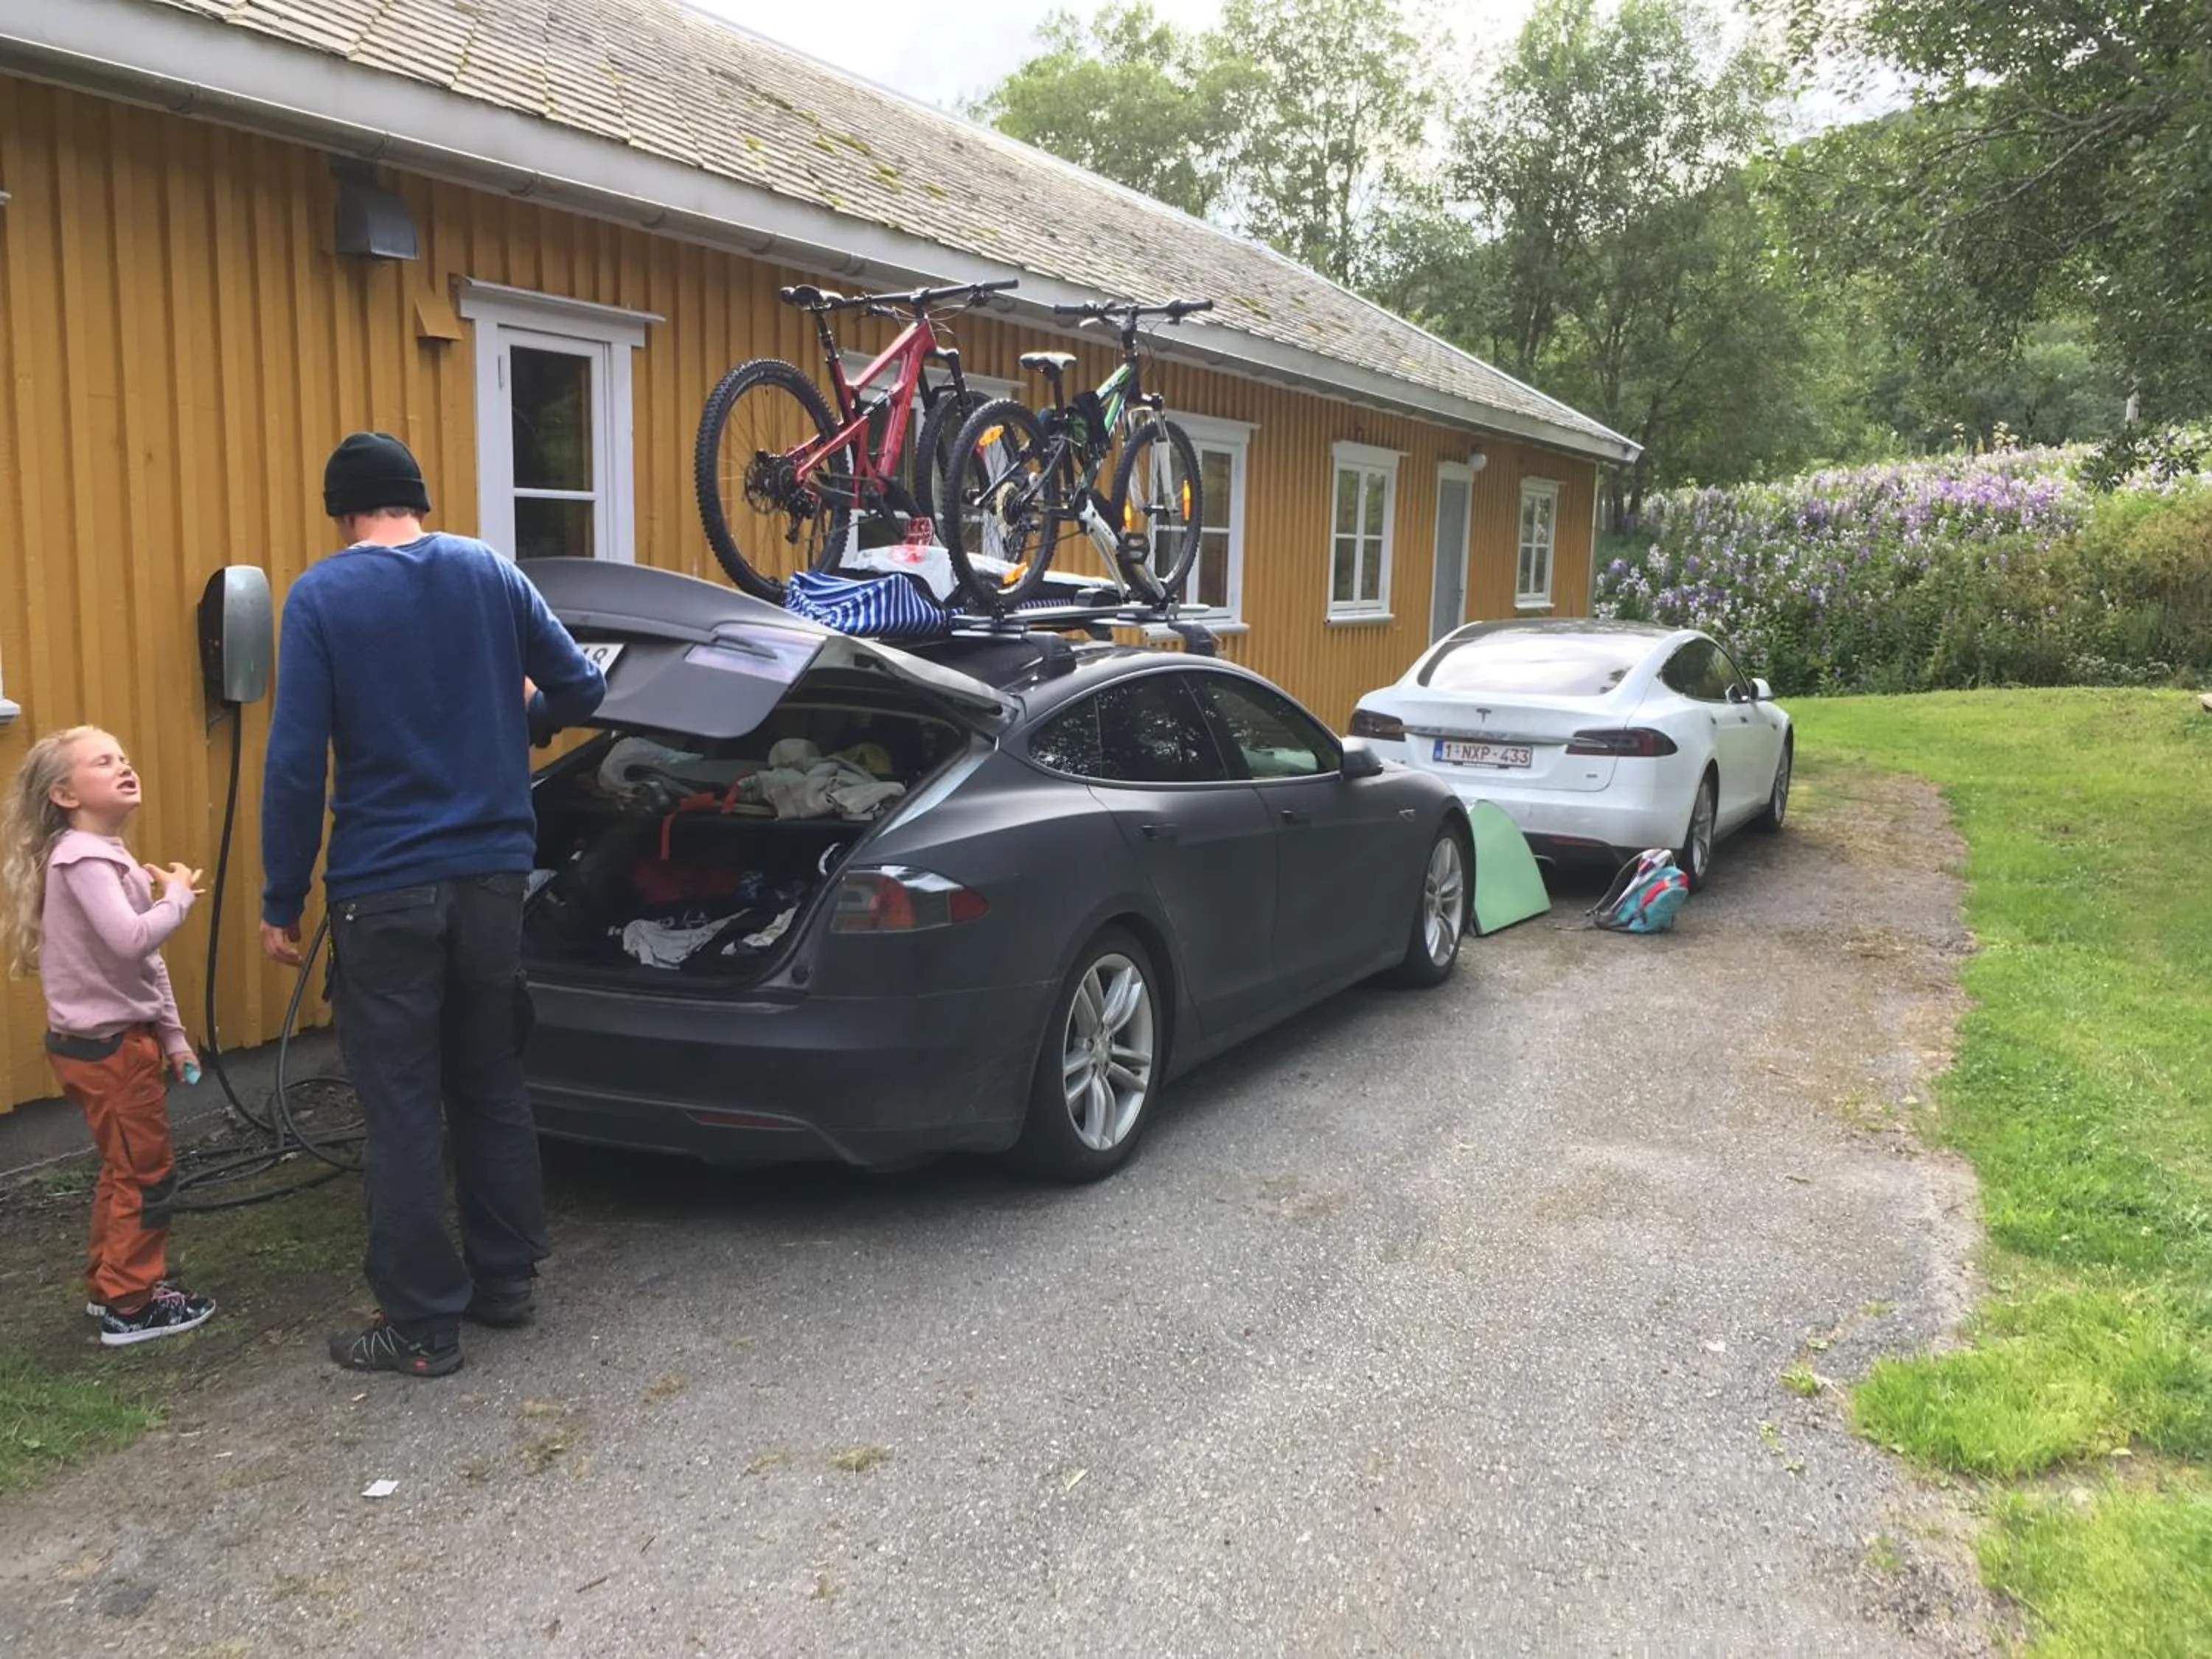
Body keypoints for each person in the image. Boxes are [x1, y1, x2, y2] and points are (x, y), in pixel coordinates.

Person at [261, 431, 605, 1378]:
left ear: (342, 512)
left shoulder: (324, 595)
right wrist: (521, 713)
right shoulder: (488, 571)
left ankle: (420, 1324)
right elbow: (582, 687)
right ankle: (507, 1283)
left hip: (384, 889)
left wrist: (280, 896)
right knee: (490, 1081)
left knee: (404, 1106)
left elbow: (295, 763)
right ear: (418, 499)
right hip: (494, 878)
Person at [2, 727, 215, 1346]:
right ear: (65, 793)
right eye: (104, 761)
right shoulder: (84, 859)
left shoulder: (101, 854)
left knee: (123, 1169)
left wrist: (173, 1038)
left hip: (118, 1043)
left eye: (124, 756)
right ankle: (131, 1304)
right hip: (110, 1050)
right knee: (148, 1175)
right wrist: (175, 899)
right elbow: (134, 940)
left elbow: (142, 968)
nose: (125, 767)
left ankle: (110, 1284)